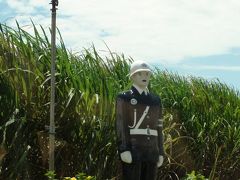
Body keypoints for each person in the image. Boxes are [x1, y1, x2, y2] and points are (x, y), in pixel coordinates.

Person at [116, 60, 165, 180]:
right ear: (132, 76)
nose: (144, 77)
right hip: (133, 150)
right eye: (140, 74)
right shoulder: (124, 97)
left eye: (147, 74)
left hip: (152, 152)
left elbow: (159, 127)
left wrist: (161, 152)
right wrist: (124, 149)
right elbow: (121, 124)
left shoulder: (155, 100)